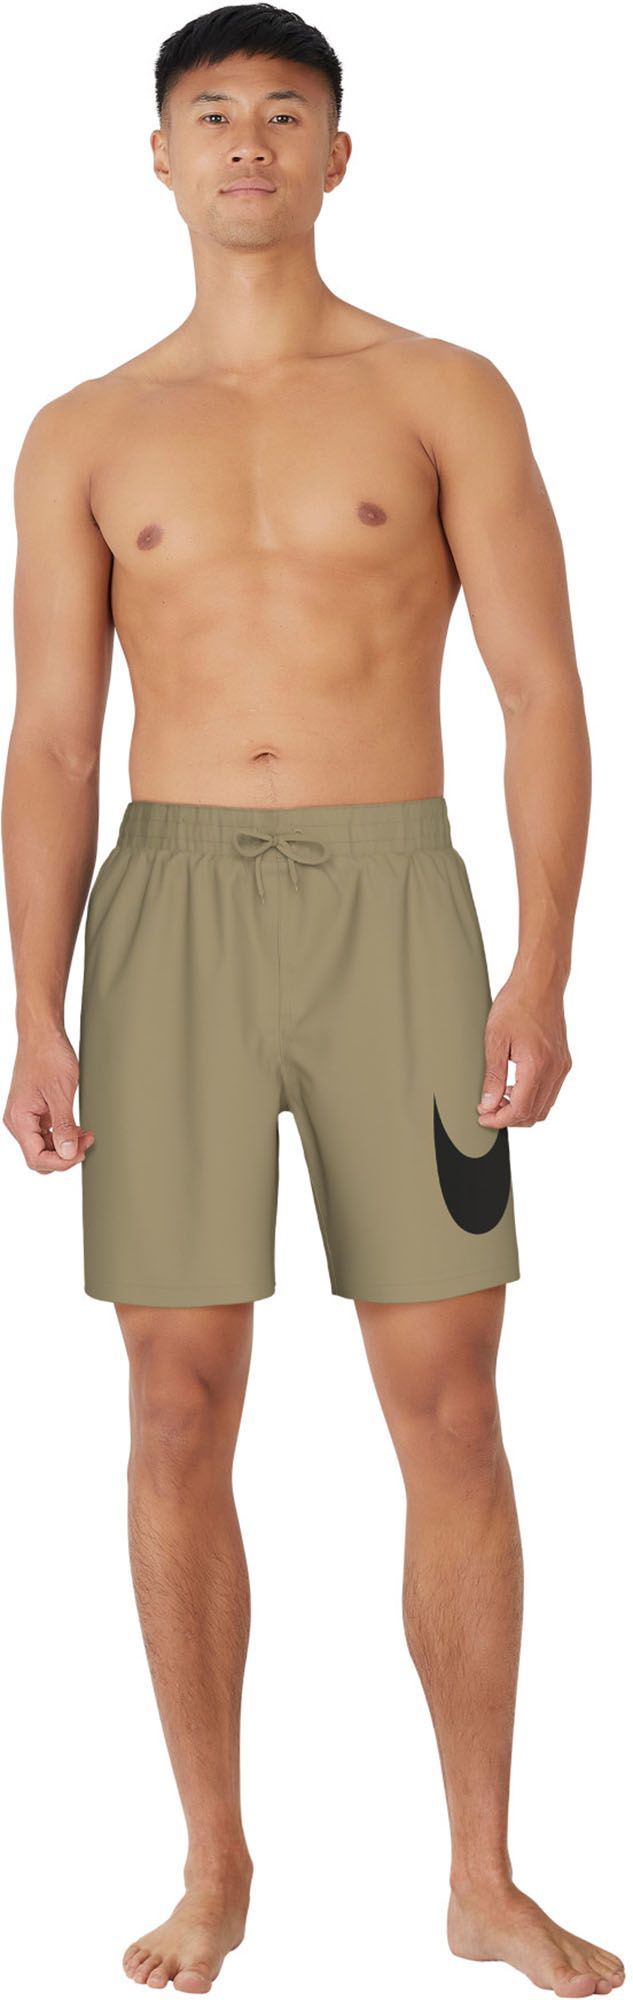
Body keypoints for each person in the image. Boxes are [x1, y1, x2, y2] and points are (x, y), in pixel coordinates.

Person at [2, 5, 623, 1995]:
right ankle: (213, 1866)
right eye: (213, 115)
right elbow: (51, 739)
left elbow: (538, 689)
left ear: (339, 155)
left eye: (286, 113)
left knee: (448, 1397)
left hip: (396, 915)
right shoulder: (84, 429)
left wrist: (540, 956)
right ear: (159, 156)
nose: (249, 142)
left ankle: (481, 1876)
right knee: (172, 1398)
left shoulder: (441, 389)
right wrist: (35, 1007)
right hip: (166, 915)